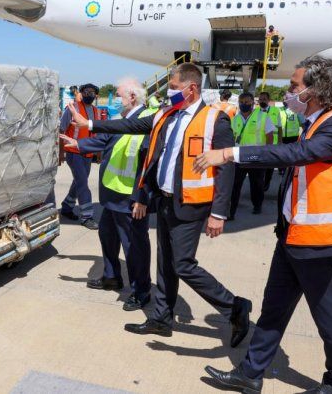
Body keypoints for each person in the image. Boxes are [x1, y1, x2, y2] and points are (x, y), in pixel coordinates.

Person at [198, 56, 332, 394]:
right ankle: (251, 373)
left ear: (315, 91)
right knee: (273, 309)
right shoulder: (316, 121)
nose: (288, 91)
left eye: (294, 86)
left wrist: (232, 153)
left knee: (328, 319)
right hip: (294, 237)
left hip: (323, 244)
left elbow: (294, 155)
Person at [66, 63, 252, 345]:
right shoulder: (166, 114)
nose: (169, 93)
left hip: (191, 203)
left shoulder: (215, 120)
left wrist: (218, 212)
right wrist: (88, 124)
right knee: (165, 265)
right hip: (164, 200)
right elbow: (130, 124)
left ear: (191, 89)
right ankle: (161, 319)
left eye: (174, 88)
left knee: (183, 264)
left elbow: (227, 169)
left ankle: (233, 306)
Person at [60, 79, 156, 310]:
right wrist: (78, 144)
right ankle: (111, 277)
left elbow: (149, 164)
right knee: (108, 238)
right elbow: (105, 138)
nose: (117, 99)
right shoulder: (123, 119)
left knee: (134, 247)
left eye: (120, 95)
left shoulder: (147, 121)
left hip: (130, 198)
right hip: (111, 193)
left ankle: (141, 290)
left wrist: (141, 197)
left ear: (132, 97)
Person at [59, 83, 100, 230]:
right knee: (82, 183)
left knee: (78, 182)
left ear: (96, 95)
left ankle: (67, 207)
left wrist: (98, 153)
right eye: (86, 91)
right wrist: (60, 153)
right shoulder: (72, 109)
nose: (89, 94)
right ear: (81, 93)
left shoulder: (96, 111)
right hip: (73, 153)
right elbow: (61, 129)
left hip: (88, 153)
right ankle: (87, 216)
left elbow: (97, 133)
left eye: (92, 92)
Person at [229, 92, 274, 220]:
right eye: (242, 102)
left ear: (252, 104)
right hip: (238, 157)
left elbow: (269, 136)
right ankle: (231, 211)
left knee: (257, 184)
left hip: (256, 157)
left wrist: (267, 153)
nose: (244, 104)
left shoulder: (263, 116)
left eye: (247, 102)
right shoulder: (235, 119)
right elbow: (231, 138)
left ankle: (257, 205)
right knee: (235, 185)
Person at [258, 92, 283, 191]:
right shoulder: (256, 112)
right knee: (260, 166)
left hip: (273, 144)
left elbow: (280, 127)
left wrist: (280, 142)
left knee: (270, 166)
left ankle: (267, 182)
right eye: (260, 99)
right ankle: (260, 184)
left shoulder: (275, 111)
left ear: (268, 100)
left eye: (264, 99)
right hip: (260, 144)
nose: (262, 101)